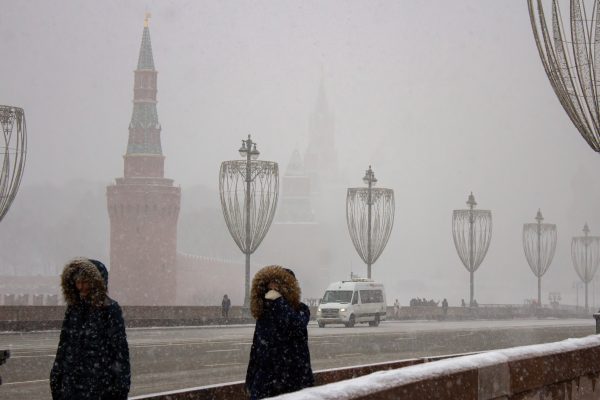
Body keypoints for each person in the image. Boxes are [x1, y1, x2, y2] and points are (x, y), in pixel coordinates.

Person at [50, 258, 130, 399]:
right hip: (71, 389)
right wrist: (56, 379)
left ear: (96, 283)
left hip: (100, 389)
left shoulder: (110, 310)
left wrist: (120, 389)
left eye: (85, 282)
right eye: (78, 282)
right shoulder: (73, 309)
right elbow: (63, 347)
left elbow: (119, 352)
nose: (80, 286)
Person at [245, 265, 314, 399]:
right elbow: (256, 349)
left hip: (292, 381)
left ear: (288, 288)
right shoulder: (265, 311)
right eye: (270, 285)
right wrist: (250, 380)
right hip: (265, 383)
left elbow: (296, 325)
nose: (273, 289)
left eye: (277, 285)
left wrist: (279, 301)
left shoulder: (300, 310)